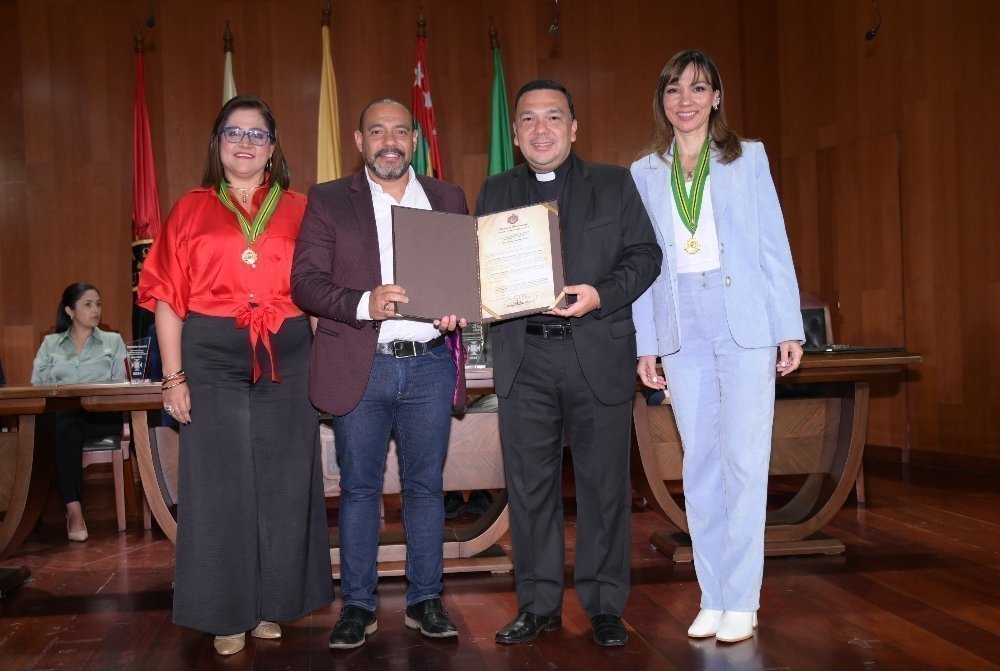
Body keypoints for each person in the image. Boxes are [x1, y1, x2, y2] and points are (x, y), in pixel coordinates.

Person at [136, 95, 333, 656]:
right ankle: (227, 611)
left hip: (288, 352)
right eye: (233, 133)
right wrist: (173, 379)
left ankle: (275, 604)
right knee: (220, 484)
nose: (244, 143)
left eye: (257, 134)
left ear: (273, 147)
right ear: (217, 143)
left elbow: (319, 293)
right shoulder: (190, 209)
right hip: (212, 353)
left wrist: (329, 368)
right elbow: (168, 301)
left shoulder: (302, 208)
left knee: (286, 481)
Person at [475, 79, 662, 647]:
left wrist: (601, 293)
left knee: (604, 487)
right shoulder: (494, 192)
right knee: (529, 488)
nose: (540, 129)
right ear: (515, 133)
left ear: (573, 128)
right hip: (523, 355)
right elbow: (480, 269)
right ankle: (537, 605)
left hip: (595, 352)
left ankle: (605, 604)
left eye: (553, 117)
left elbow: (646, 256)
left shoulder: (613, 183)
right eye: (528, 119)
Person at [632, 50, 804, 643]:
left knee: (744, 460)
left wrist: (789, 326)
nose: (686, 100)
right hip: (681, 319)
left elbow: (772, 243)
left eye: (699, 88)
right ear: (662, 99)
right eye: (674, 89)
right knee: (700, 463)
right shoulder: (644, 171)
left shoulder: (746, 158)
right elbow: (643, 264)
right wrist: (646, 342)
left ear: (716, 97)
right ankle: (712, 595)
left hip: (744, 319)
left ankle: (743, 599)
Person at [291, 98, 468, 650]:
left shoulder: (446, 197)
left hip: (430, 364)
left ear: (414, 140)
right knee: (361, 490)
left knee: (425, 489)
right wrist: (365, 302)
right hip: (360, 366)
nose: (389, 141)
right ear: (358, 140)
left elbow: (465, 277)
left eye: (400, 131)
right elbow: (305, 283)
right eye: (377, 131)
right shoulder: (327, 200)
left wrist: (456, 305)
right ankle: (358, 606)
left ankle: (426, 600)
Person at [31, 282, 126, 542]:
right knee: (65, 423)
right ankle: (74, 511)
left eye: (98, 304)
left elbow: (121, 383)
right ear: (70, 311)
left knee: (66, 423)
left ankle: (72, 510)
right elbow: (37, 386)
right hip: (66, 418)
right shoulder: (51, 345)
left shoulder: (113, 341)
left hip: (103, 416)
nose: (95, 310)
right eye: (88, 304)